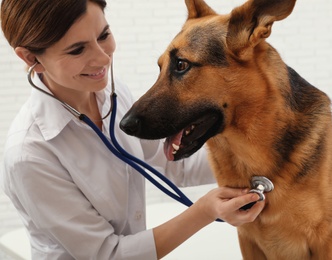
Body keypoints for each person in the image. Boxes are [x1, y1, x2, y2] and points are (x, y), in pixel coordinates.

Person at [0, 0, 265, 259]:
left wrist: (260, 157)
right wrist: (205, 211)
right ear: (31, 57)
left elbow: (173, 164)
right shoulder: (29, 155)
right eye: (77, 50)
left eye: (103, 35)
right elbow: (109, 254)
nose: (102, 58)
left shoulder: (112, 95)